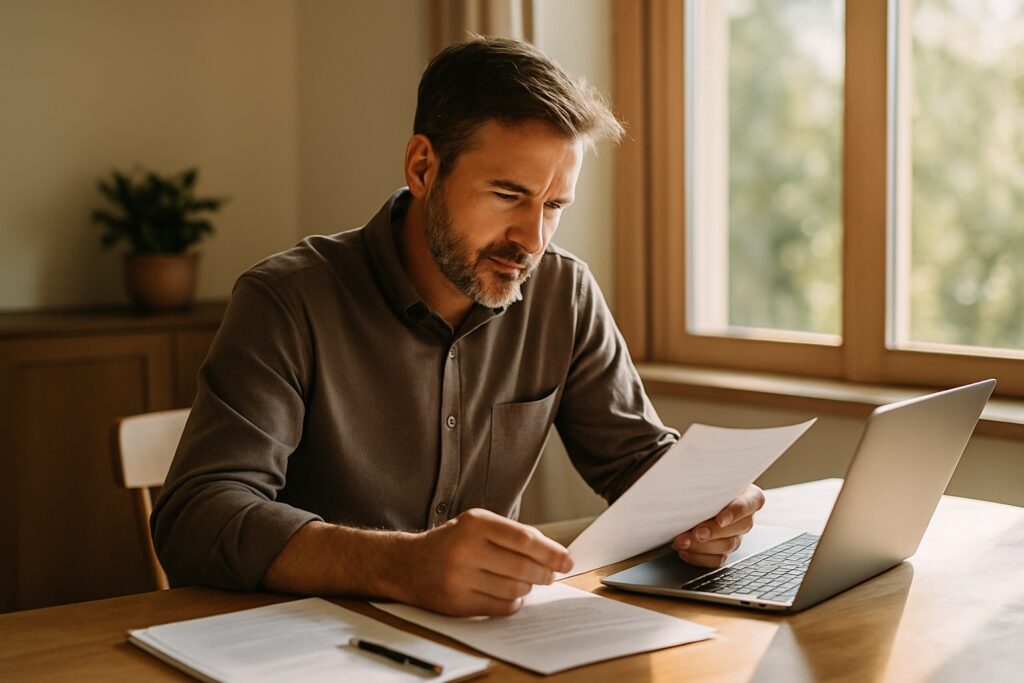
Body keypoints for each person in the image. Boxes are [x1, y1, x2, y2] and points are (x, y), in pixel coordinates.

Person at [152, 36, 764, 617]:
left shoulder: (563, 293)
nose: (532, 240)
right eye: (506, 194)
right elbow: (197, 517)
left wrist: (706, 505)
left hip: (486, 644)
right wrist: (401, 565)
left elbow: (634, 459)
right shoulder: (287, 301)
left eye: (554, 206)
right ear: (423, 168)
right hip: (305, 645)